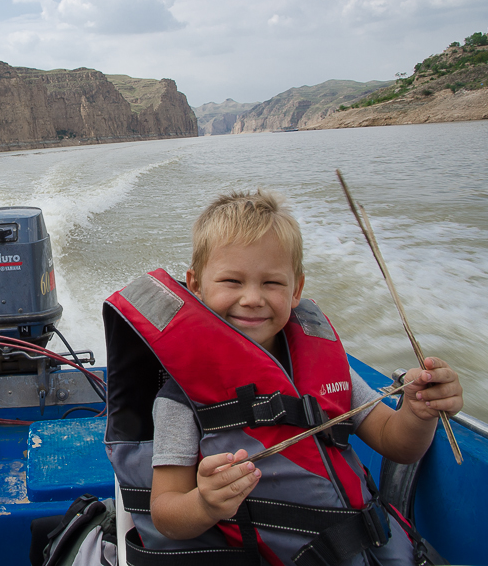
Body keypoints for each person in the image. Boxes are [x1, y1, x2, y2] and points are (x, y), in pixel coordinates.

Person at [103, 190, 463, 566]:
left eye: (272, 283)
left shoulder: (327, 365)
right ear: (195, 286)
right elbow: (166, 512)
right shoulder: (179, 402)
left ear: (297, 290)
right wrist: (204, 503)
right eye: (231, 281)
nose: (253, 298)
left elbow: (397, 444)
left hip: (375, 549)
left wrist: (419, 413)